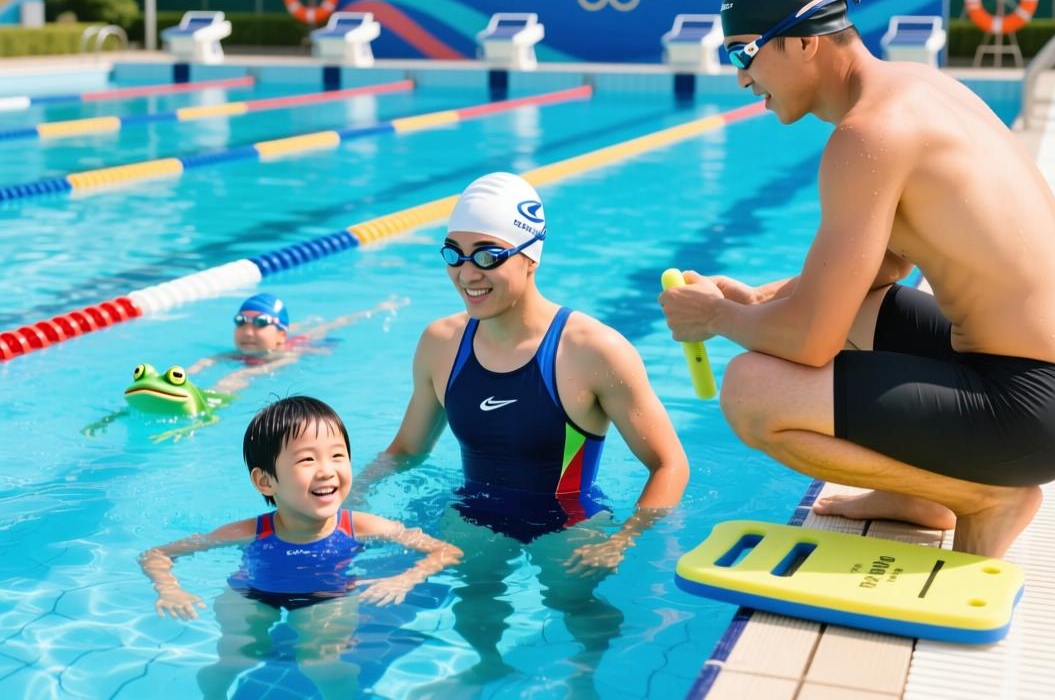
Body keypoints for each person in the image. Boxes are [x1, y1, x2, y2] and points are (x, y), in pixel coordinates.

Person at [660, 0, 1055, 560]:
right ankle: (918, 497)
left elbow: (813, 339)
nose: (740, 76)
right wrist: (759, 299)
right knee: (854, 310)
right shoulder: (915, 89)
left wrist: (716, 319)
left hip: (1028, 408)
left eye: (743, 52)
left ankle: (984, 497)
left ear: (804, 41)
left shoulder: (868, 135)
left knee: (750, 391)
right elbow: (882, 270)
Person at [354, 171, 689, 687]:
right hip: (476, 509)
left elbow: (669, 464)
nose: (468, 273)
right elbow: (408, 448)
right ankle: (487, 668)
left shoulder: (592, 349)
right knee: (474, 596)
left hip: (567, 517)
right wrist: (355, 493)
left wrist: (622, 540)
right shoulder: (440, 343)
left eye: (488, 254)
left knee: (574, 601)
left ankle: (586, 679)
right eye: (453, 253)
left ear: (531, 255)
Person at [140, 395, 461, 700]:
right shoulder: (252, 531)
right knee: (237, 654)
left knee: (326, 664)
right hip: (253, 591)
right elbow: (156, 554)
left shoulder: (360, 526)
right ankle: (214, 685)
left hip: (326, 595)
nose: (326, 470)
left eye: (338, 456)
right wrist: (170, 590)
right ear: (266, 481)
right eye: (307, 459)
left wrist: (405, 578)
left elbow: (445, 551)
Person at [188, 293, 404, 394]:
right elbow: (211, 359)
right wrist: (194, 369)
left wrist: (239, 376)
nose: (248, 331)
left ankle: (379, 308)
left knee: (327, 327)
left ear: (281, 335)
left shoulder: (284, 353)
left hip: (305, 346)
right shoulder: (236, 352)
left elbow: (269, 367)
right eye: (241, 322)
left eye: (261, 323)